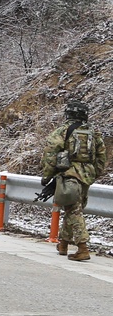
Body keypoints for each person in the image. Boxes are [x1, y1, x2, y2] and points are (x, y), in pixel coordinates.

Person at [41, 100, 107, 261]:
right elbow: (101, 157)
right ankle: (63, 243)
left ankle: (82, 247)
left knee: (73, 210)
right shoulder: (94, 132)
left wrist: (47, 176)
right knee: (73, 208)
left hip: (69, 175)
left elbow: (50, 154)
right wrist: (93, 173)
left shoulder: (63, 131)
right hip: (87, 176)